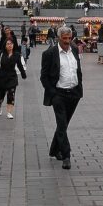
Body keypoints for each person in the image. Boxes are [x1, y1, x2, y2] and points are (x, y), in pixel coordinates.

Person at [41, 26, 83, 170]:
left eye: (69, 38)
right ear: (59, 38)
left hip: (74, 94)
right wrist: (52, 93)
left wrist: (79, 88)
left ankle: (54, 150)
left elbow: (78, 70)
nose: (67, 41)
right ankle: (66, 156)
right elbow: (44, 76)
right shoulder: (49, 54)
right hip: (58, 94)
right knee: (62, 123)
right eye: (64, 38)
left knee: (63, 125)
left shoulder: (75, 50)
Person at [0, 38, 27, 119]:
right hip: (2, 76)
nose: (10, 45)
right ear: (5, 45)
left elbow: (19, 65)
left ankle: (9, 112)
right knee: (1, 95)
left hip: (12, 77)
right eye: (8, 44)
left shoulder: (16, 54)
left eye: (11, 44)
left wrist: (23, 74)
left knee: (11, 94)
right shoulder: (1, 53)